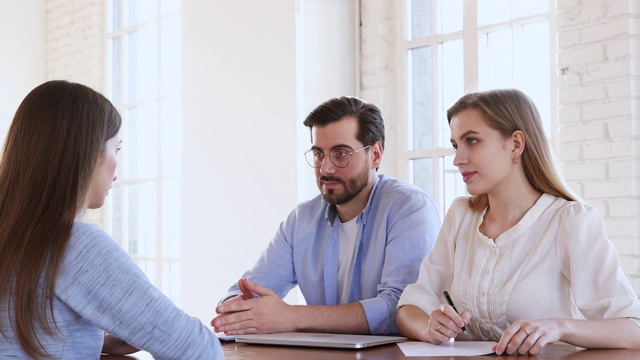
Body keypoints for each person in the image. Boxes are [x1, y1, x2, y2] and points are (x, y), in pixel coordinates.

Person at [396, 88, 640, 355]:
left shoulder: (570, 221)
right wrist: (428, 326)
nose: (457, 159)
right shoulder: (461, 215)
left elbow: (632, 329)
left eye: (472, 141)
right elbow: (410, 306)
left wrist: (558, 327)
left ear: (516, 144)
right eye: (456, 145)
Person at [0, 80, 222, 359]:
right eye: (116, 150)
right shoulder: (75, 246)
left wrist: (94, 342)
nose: (117, 169)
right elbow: (196, 348)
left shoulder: (10, 238)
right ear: (88, 153)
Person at [212, 96, 440, 336]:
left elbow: (400, 308)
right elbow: (250, 289)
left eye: (341, 154)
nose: (326, 169)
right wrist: (240, 307)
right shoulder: (302, 220)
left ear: (375, 155)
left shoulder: (409, 207)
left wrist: (289, 316)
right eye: (319, 154)